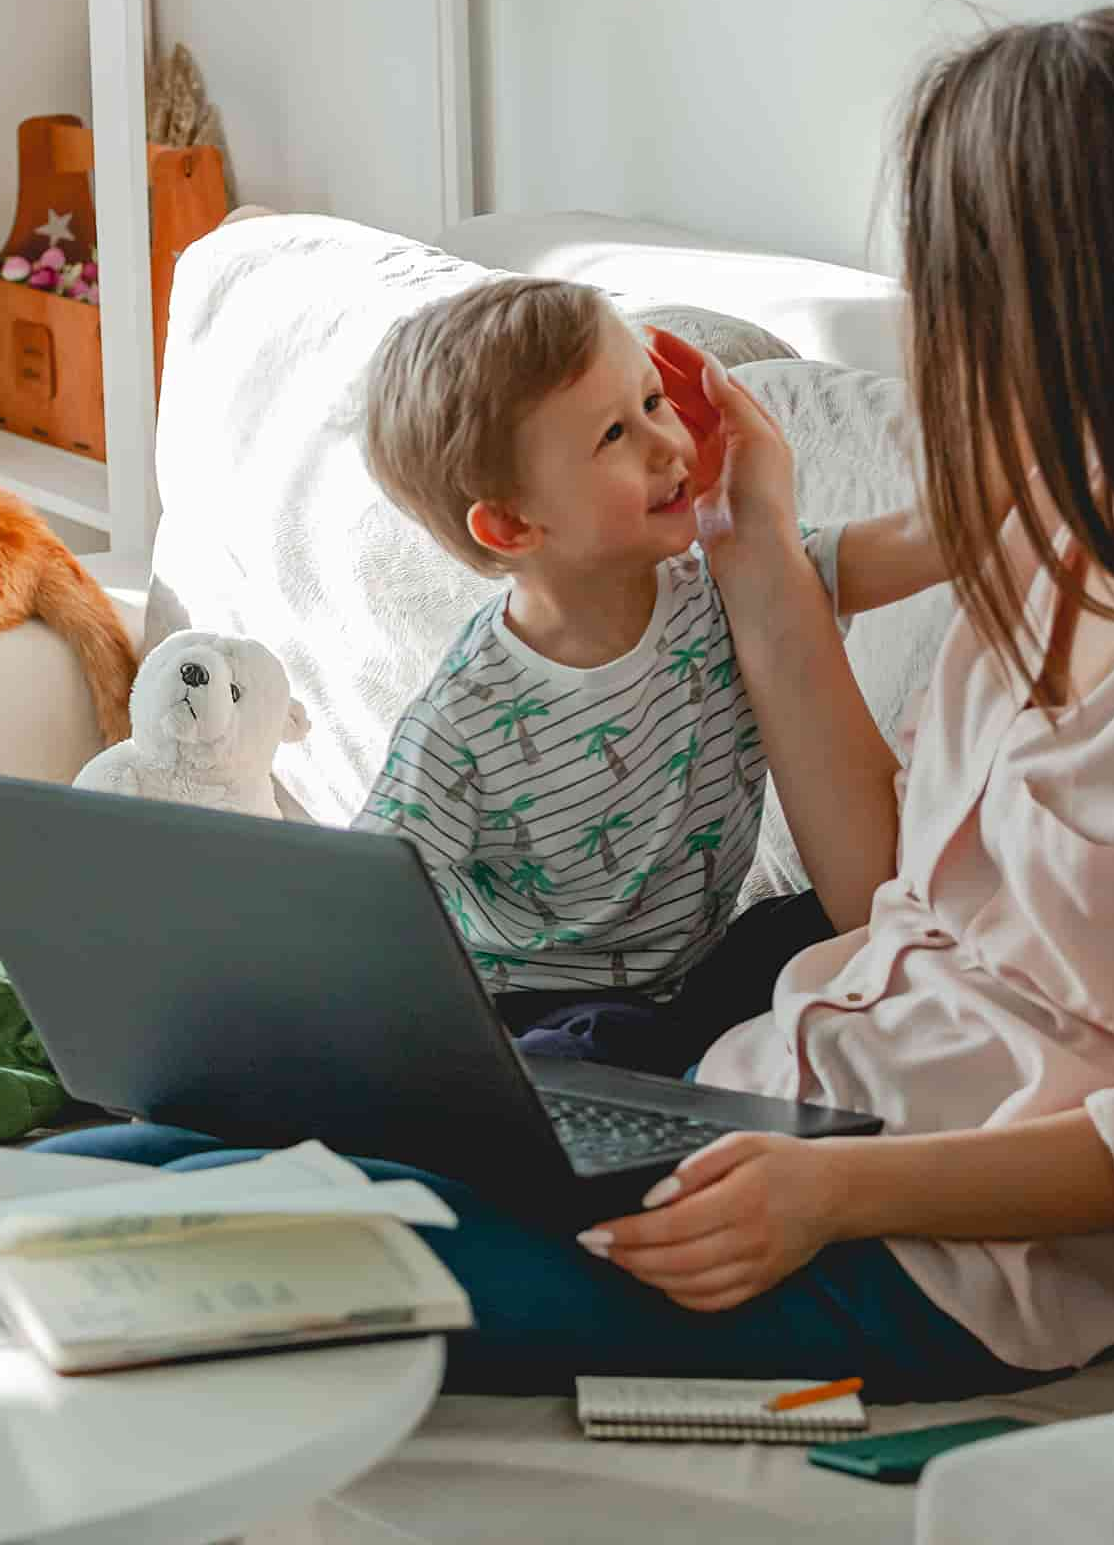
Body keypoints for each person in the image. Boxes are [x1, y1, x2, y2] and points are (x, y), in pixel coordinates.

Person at [36, 7, 1114, 1545]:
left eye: (960, 288)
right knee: (92, 1187)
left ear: (1078, 296)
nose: (943, 337)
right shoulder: (1050, 533)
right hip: (764, 1106)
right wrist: (753, 542)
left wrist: (832, 1190)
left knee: (150, 1297)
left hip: (935, 1250)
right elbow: (881, 901)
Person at [353, 278, 939, 1070]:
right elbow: (365, 894)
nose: (667, 446)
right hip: (541, 1005)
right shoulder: (466, 719)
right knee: (586, 1046)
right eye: (614, 435)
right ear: (513, 523)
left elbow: (883, 550)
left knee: (859, 937)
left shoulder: (719, 586)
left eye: (655, 401)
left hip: (697, 972)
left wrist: (1033, 498)